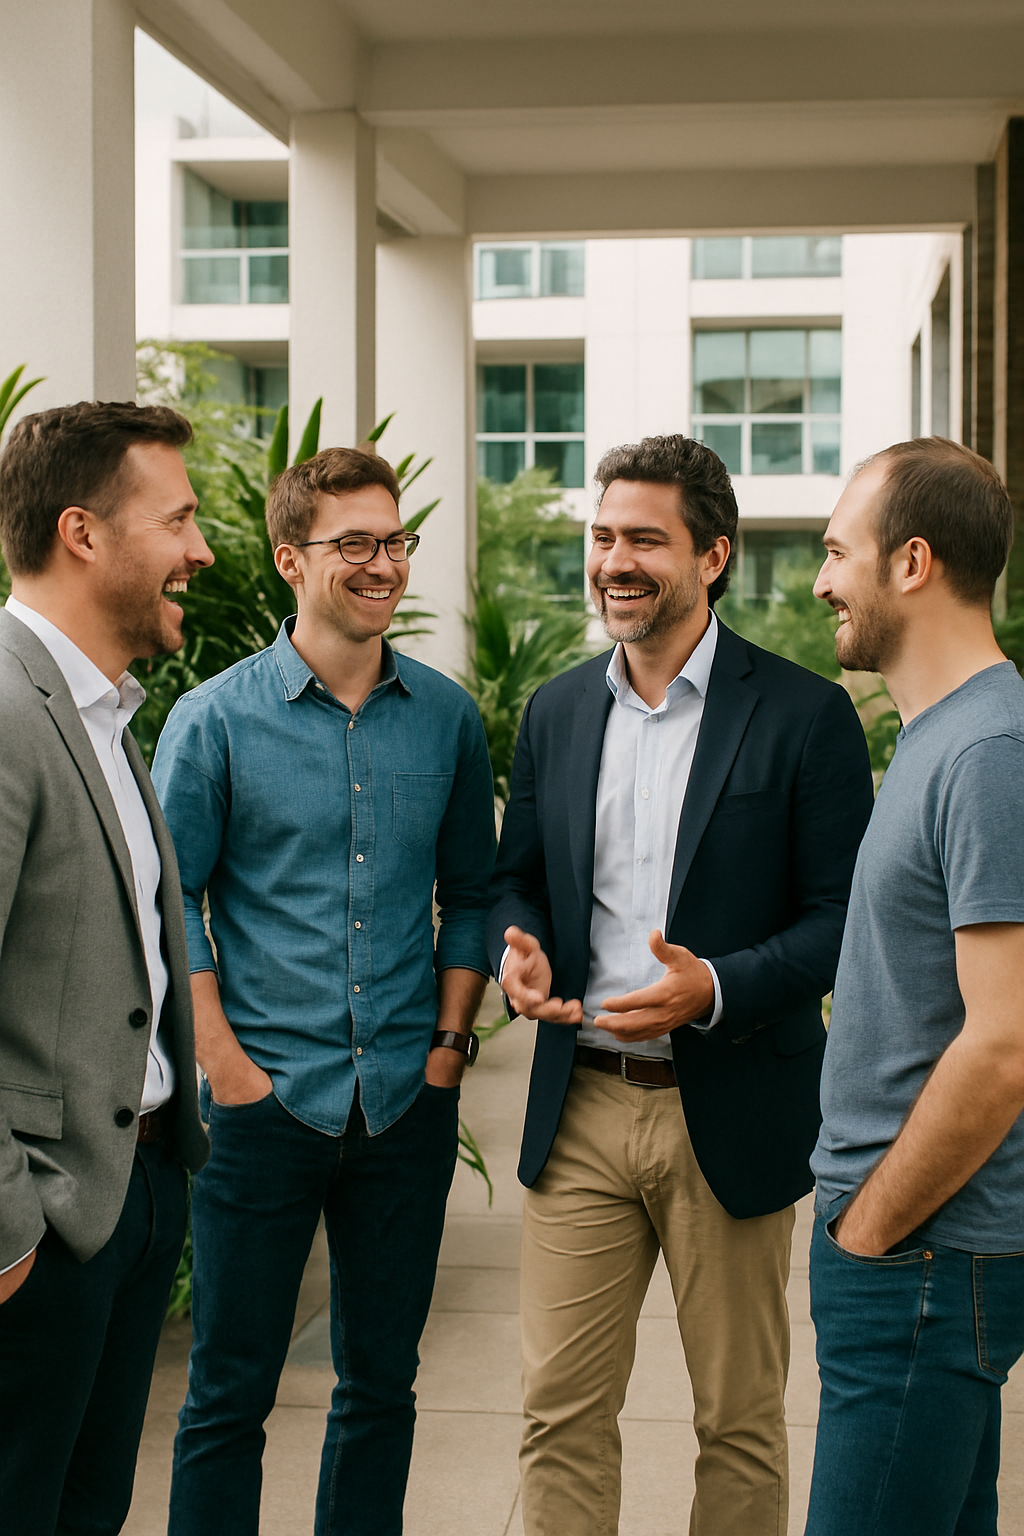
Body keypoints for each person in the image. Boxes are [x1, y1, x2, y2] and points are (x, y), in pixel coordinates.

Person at [490, 433, 874, 1536]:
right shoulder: (559, 712)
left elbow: (844, 922)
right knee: (557, 1414)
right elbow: (514, 882)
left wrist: (713, 985)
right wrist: (522, 948)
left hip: (736, 1103)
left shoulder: (803, 716)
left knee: (740, 1421)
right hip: (582, 1109)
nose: (614, 560)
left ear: (710, 556)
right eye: (603, 536)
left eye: (643, 540)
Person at [152, 445, 495, 1536]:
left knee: (380, 1387)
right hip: (262, 1106)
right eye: (354, 543)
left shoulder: (445, 717)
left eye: (393, 540)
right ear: (290, 556)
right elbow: (173, 905)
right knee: (227, 1395)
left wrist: (449, 1047)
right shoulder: (213, 721)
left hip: (404, 1098)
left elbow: (473, 894)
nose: (382, 563)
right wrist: (224, 1067)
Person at [0, 400, 213, 1534]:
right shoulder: (3, 707)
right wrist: (9, 1240)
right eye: (177, 519)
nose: (201, 550)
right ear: (83, 533)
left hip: (133, 1199)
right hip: (42, 1230)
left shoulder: (103, 711)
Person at [805, 438, 1024, 1536]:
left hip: (921, 1255)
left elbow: (1005, 1043)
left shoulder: (987, 750)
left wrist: (870, 1228)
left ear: (912, 563)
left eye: (840, 551)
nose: (820, 579)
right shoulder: (939, 738)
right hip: (912, 1255)